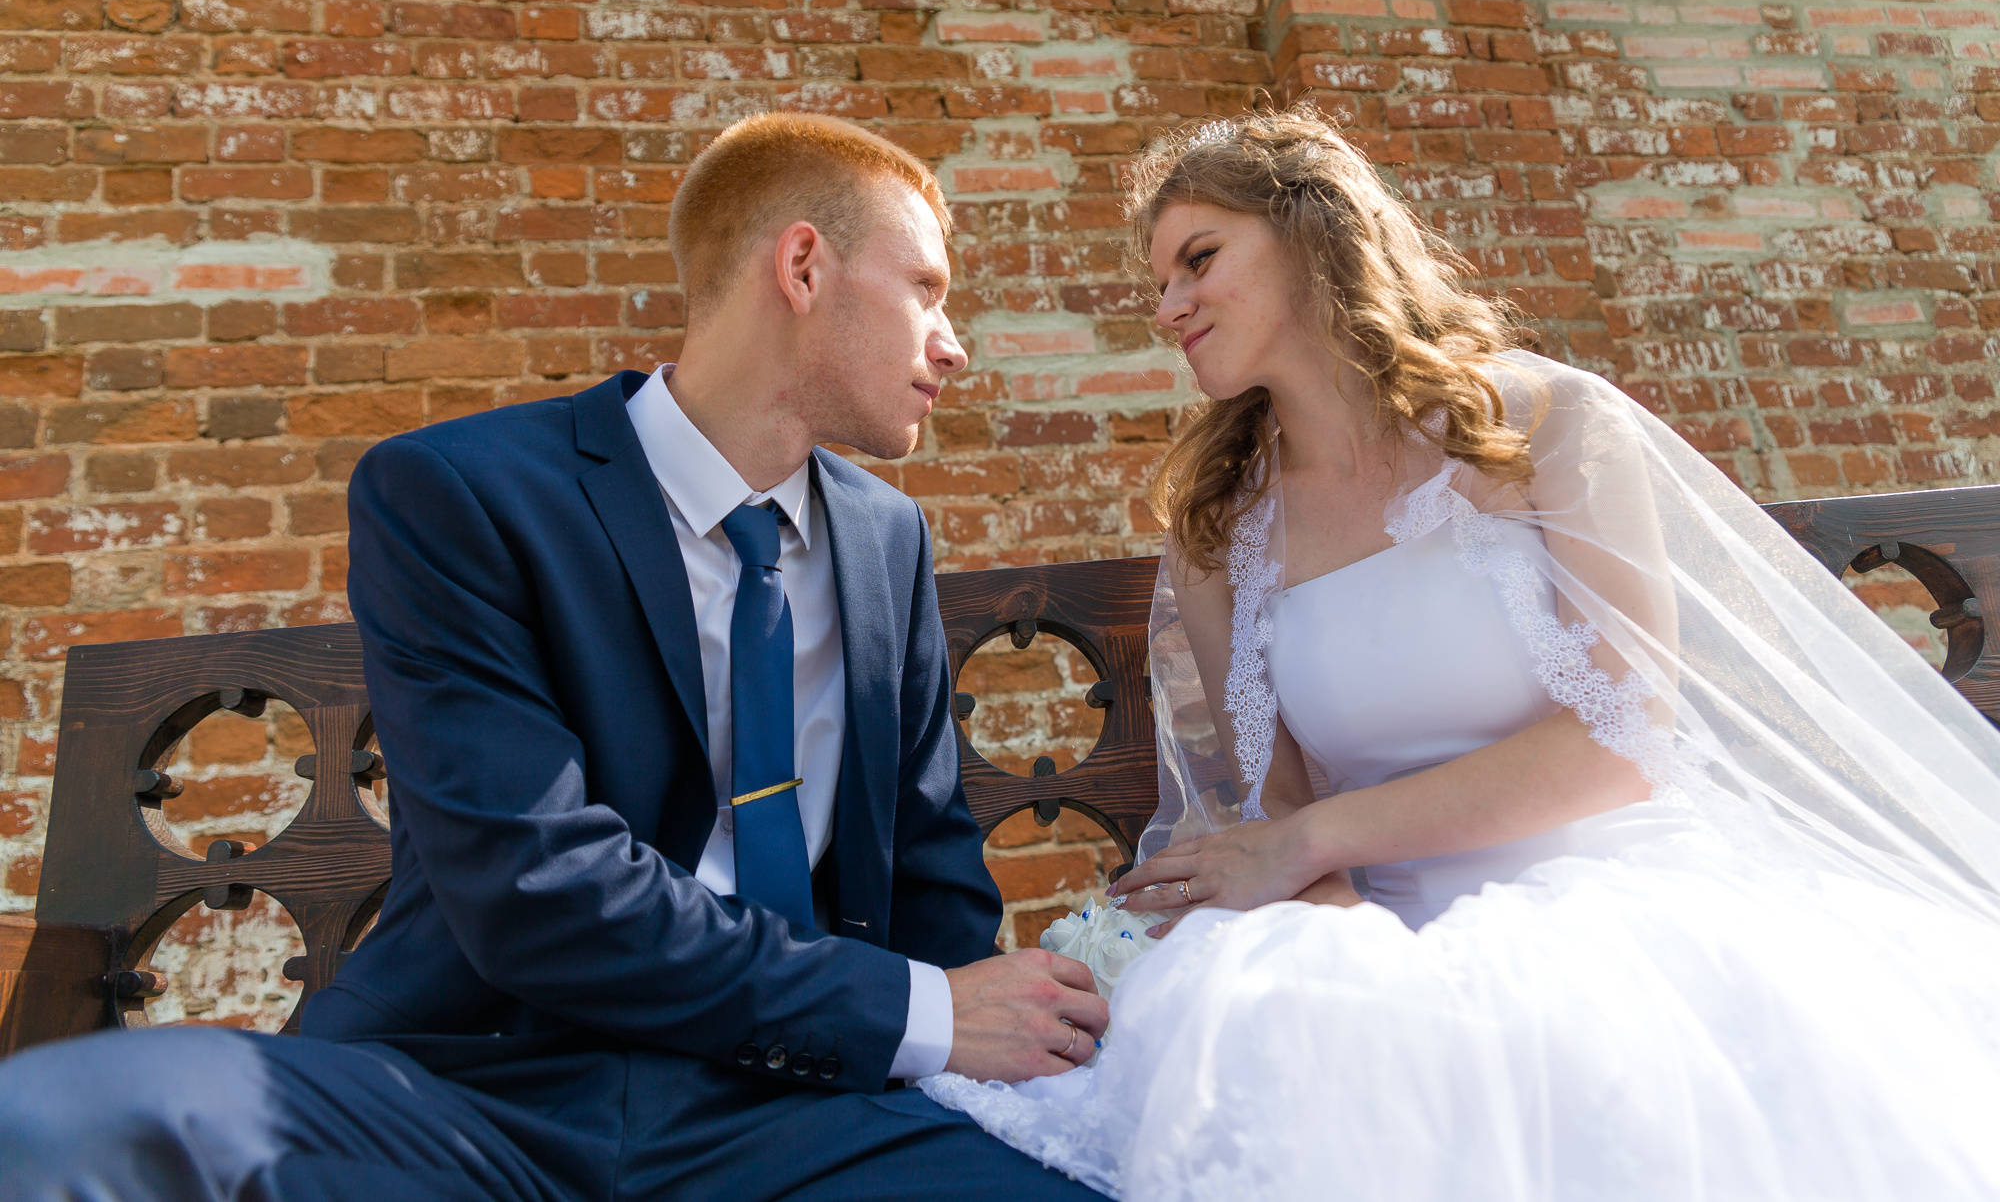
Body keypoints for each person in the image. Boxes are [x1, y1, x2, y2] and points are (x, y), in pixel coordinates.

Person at [0, 113, 1108, 1201]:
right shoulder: (460, 494)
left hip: (805, 1112)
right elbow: (536, 885)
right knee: (72, 1122)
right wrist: (916, 1012)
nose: (951, 342)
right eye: (925, 287)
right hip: (484, 1090)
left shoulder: (884, 537)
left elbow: (928, 872)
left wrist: (961, 1052)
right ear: (803, 266)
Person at [923, 110, 2000, 1199]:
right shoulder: (1217, 526)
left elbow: (1622, 740)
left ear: (1311, 231)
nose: (1167, 308)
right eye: (1157, 284)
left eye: (1197, 260)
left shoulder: (1548, 427)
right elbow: (1274, 794)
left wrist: (1309, 842)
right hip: (1361, 913)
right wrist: (1354, 952)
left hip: (1607, 887)